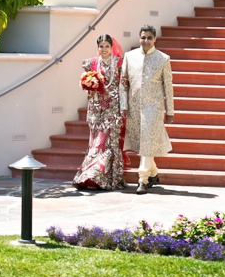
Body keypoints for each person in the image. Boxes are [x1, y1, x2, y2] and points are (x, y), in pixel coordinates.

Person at [120, 25, 174, 195]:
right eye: (143, 37)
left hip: (154, 107)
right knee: (144, 143)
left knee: (147, 143)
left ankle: (142, 179)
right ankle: (153, 174)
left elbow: (169, 86)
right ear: (139, 37)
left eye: (149, 37)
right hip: (135, 107)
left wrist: (170, 110)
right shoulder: (130, 56)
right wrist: (123, 105)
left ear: (155, 39)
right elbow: (123, 83)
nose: (146, 41)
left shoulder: (163, 59)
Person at [72, 34, 127, 190]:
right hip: (96, 109)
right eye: (101, 46)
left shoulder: (119, 63)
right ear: (98, 48)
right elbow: (83, 84)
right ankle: (91, 174)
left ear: (112, 47)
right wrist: (89, 84)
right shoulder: (91, 63)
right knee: (96, 143)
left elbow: (122, 86)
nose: (104, 49)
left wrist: (123, 107)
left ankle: (110, 178)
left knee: (111, 143)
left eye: (107, 46)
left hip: (113, 107)